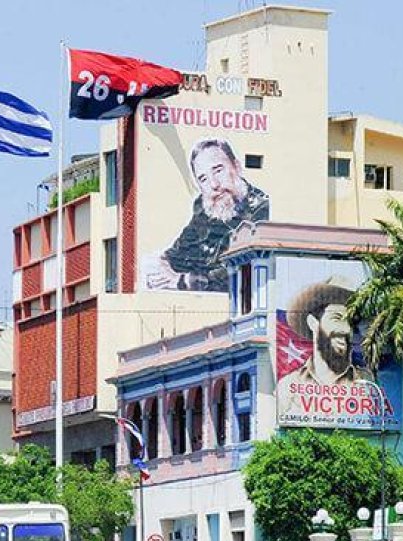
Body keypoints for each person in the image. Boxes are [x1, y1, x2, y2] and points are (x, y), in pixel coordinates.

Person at [143, 138, 270, 291]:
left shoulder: (261, 210)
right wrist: (162, 268)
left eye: (218, 170)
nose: (214, 184)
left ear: (237, 167)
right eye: (203, 179)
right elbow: (177, 253)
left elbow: (243, 270)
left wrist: (185, 281)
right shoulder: (206, 209)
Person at [276, 282, 375, 410]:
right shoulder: (288, 386)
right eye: (336, 318)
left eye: (350, 322)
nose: (346, 329)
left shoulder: (367, 382)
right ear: (313, 323)